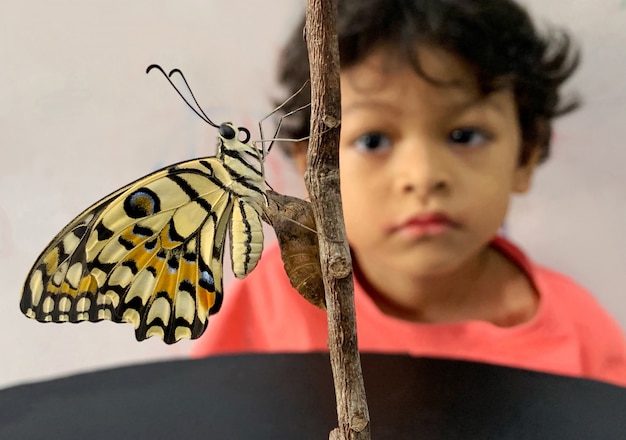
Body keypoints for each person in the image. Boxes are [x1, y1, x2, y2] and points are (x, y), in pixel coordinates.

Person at [191, 0, 626, 387]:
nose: (422, 176)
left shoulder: (579, 335)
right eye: (373, 141)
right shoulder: (272, 297)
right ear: (312, 166)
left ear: (526, 156)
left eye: (465, 135)